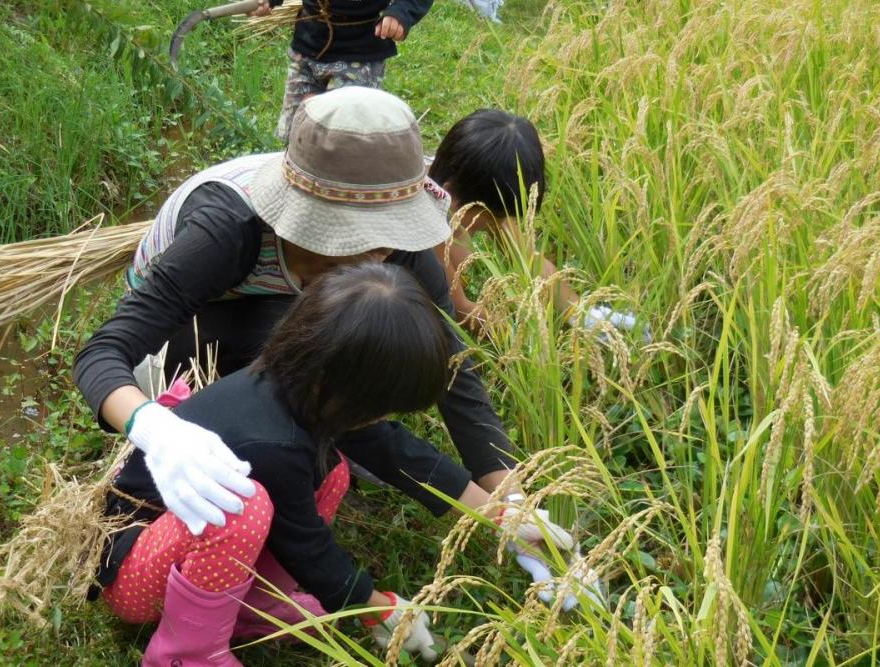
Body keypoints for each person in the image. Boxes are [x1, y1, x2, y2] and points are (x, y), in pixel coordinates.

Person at [73, 87, 569, 579]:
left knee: (334, 397)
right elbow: (103, 353)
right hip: (196, 331)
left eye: (385, 244)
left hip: (287, 312)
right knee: (321, 396)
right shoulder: (228, 229)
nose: (380, 256)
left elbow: (456, 374)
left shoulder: (396, 240)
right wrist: (160, 433)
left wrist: (511, 502)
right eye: (356, 243)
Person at [99, 263, 485, 665]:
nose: (380, 419)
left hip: (182, 548)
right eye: (379, 408)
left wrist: (505, 515)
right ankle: (187, 653)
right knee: (240, 508)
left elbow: (392, 450)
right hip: (132, 570)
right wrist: (378, 608)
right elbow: (307, 547)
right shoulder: (272, 443)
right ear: (334, 384)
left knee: (330, 471)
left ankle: (254, 608)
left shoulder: (302, 385)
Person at [429, 109, 643, 336]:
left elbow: (528, 259)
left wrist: (580, 313)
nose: (499, 223)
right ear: (452, 195)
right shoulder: (426, 224)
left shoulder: (476, 187)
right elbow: (460, 310)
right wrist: (524, 344)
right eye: (492, 217)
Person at [245, 0, 433, 142]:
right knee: (297, 134)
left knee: (343, 138)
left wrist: (402, 12)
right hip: (308, 46)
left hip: (359, 54)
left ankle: (342, 187)